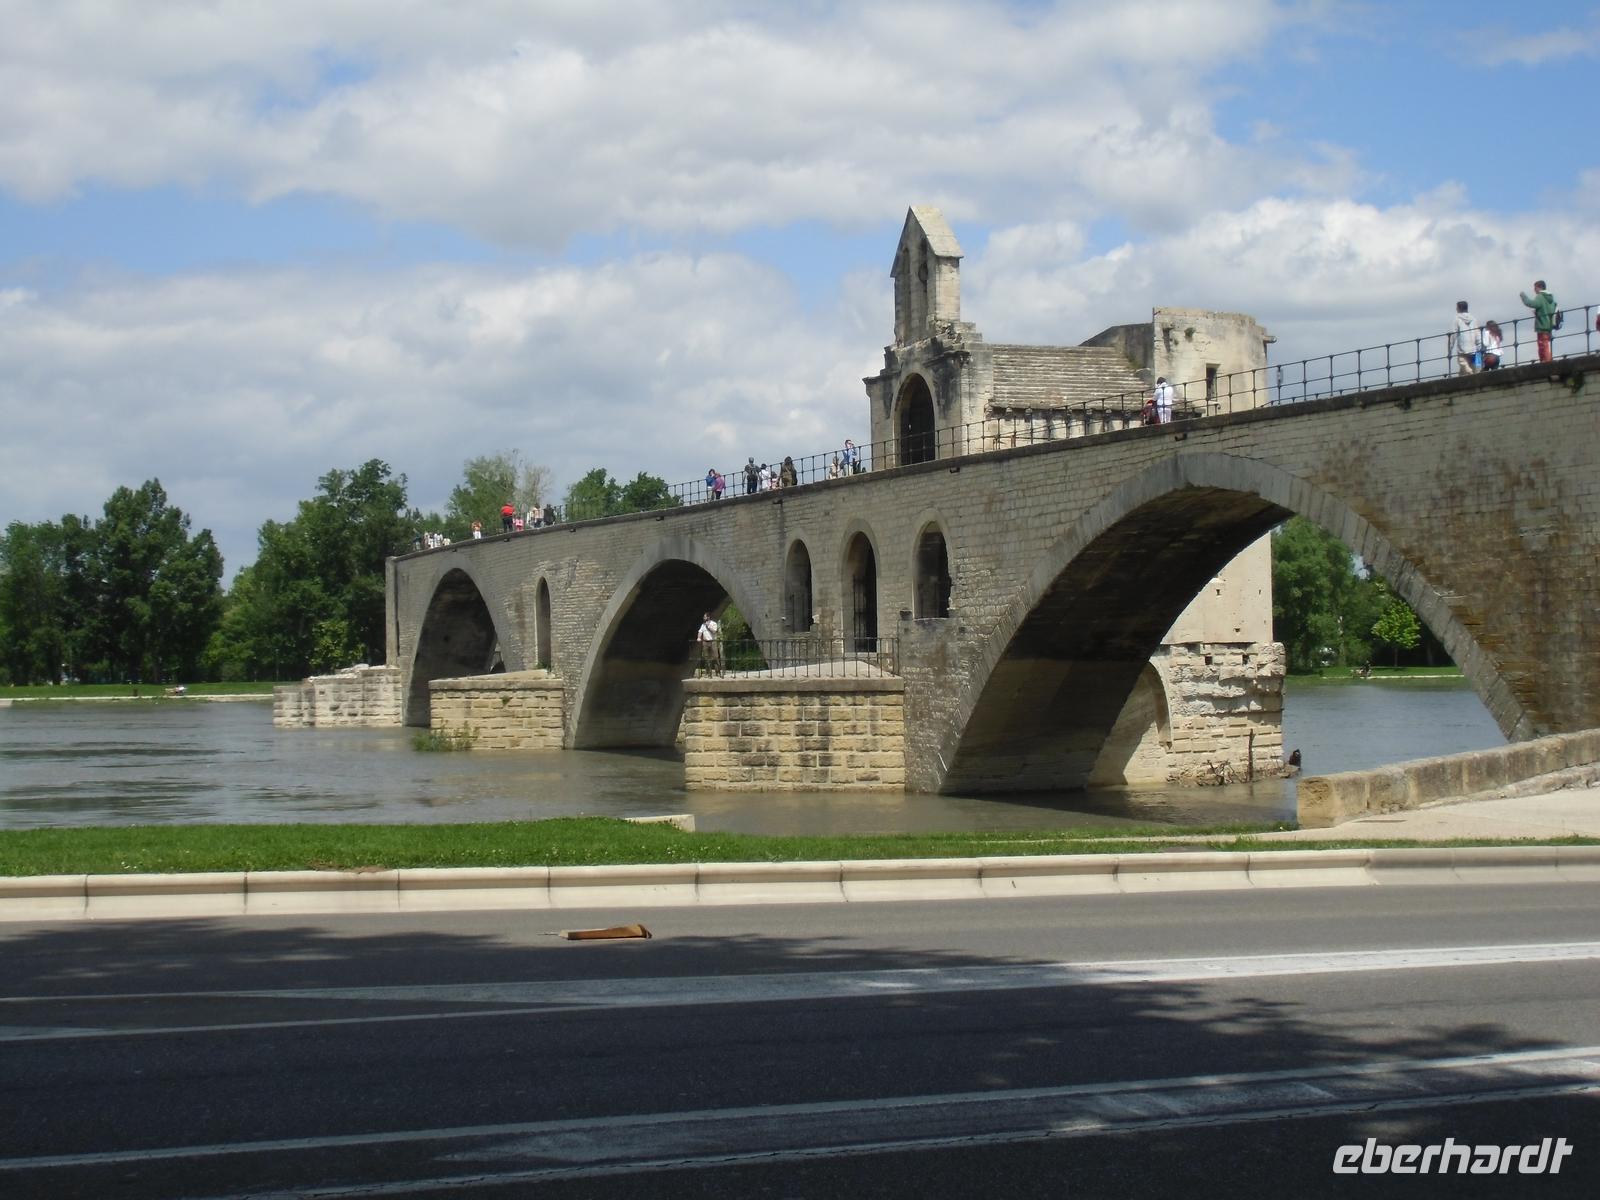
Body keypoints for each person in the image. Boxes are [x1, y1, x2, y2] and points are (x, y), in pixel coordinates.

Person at [1520, 280, 1558, 363]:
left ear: (1539, 287)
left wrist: (1523, 296)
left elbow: (1531, 303)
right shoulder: (1550, 298)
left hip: (1542, 324)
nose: (1534, 290)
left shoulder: (1540, 296)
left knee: (1542, 344)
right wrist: (1538, 312)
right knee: (1546, 344)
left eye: (1535, 287)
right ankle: (1547, 360)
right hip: (1549, 325)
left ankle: (1546, 362)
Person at [1452, 300, 1479, 375]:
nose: (1456, 309)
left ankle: (1470, 373)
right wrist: (1479, 346)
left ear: (1459, 308)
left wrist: (1449, 349)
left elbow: (1453, 335)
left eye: (1456, 307)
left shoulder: (1457, 319)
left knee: (1463, 362)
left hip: (1463, 348)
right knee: (1474, 367)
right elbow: (1477, 334)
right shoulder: (1474, 319)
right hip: (1474, 347)